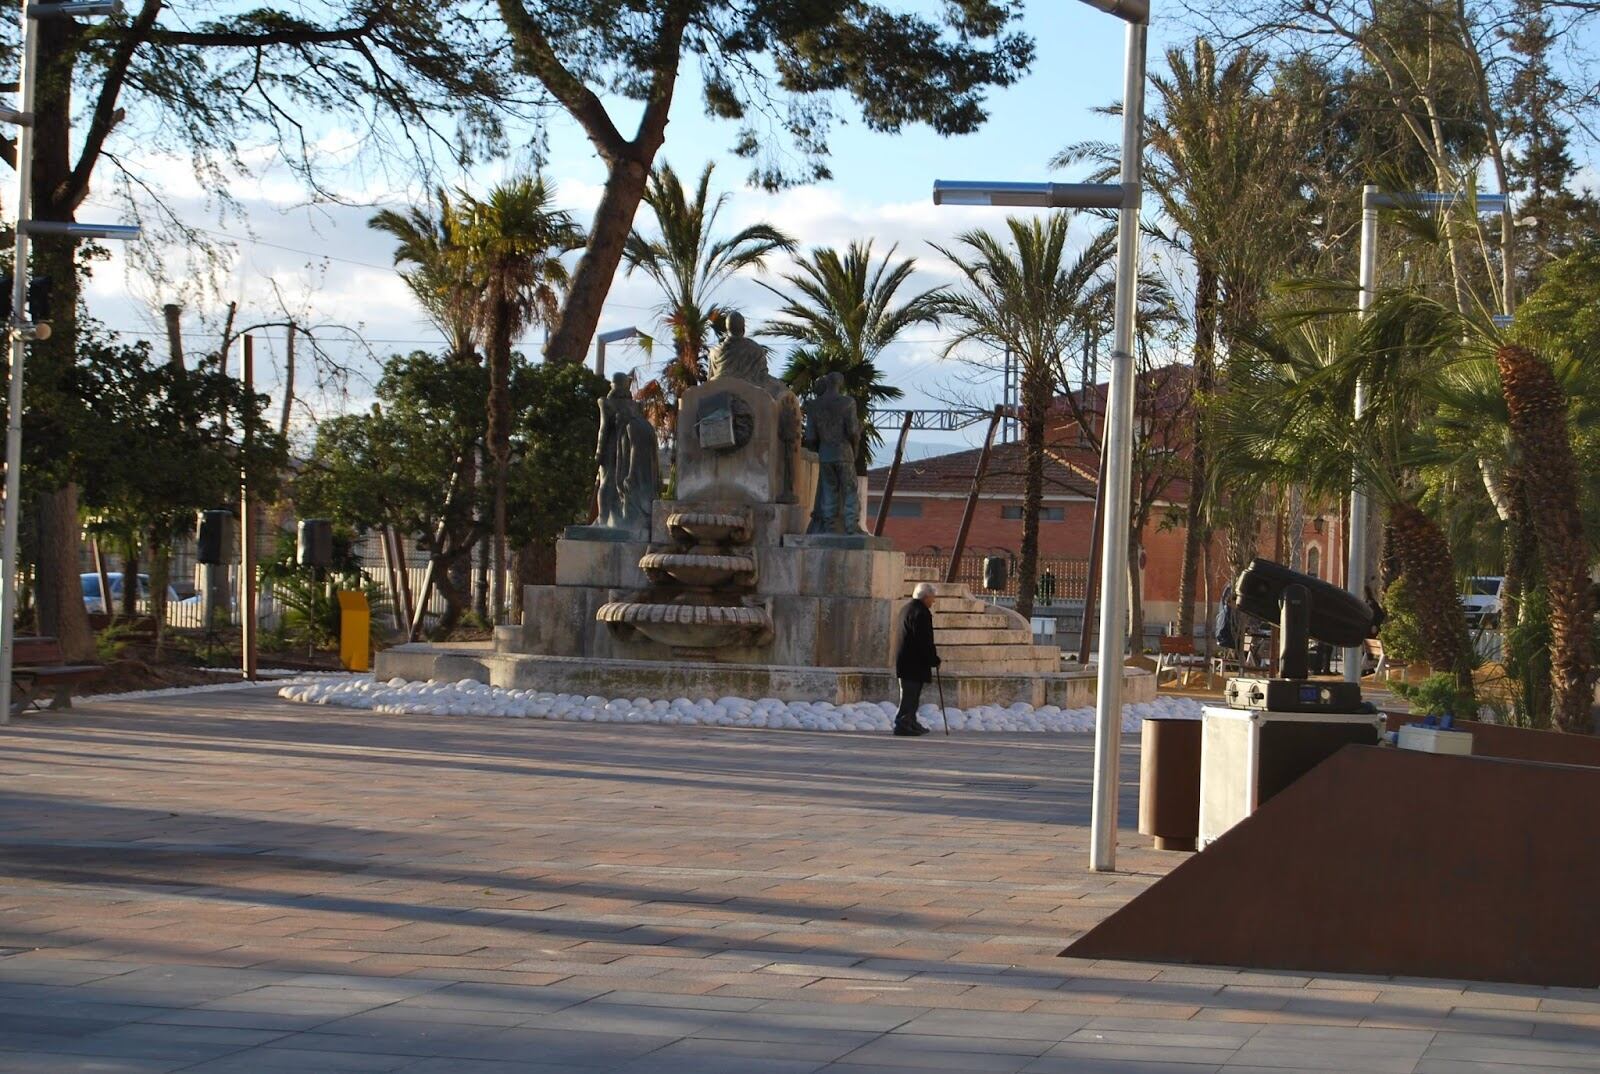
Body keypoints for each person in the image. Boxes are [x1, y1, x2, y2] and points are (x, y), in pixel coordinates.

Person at [894, 581, 942, 737]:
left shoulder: (906, 609)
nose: (933, 601)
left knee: (911, 694)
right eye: (932, 598)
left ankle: (910, 721)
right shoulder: (921, 613)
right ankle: (903, 723)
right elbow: (924, 639)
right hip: (914, 662)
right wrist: (933, 659)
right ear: (925, 597)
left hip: (906, 660)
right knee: (910, 695)